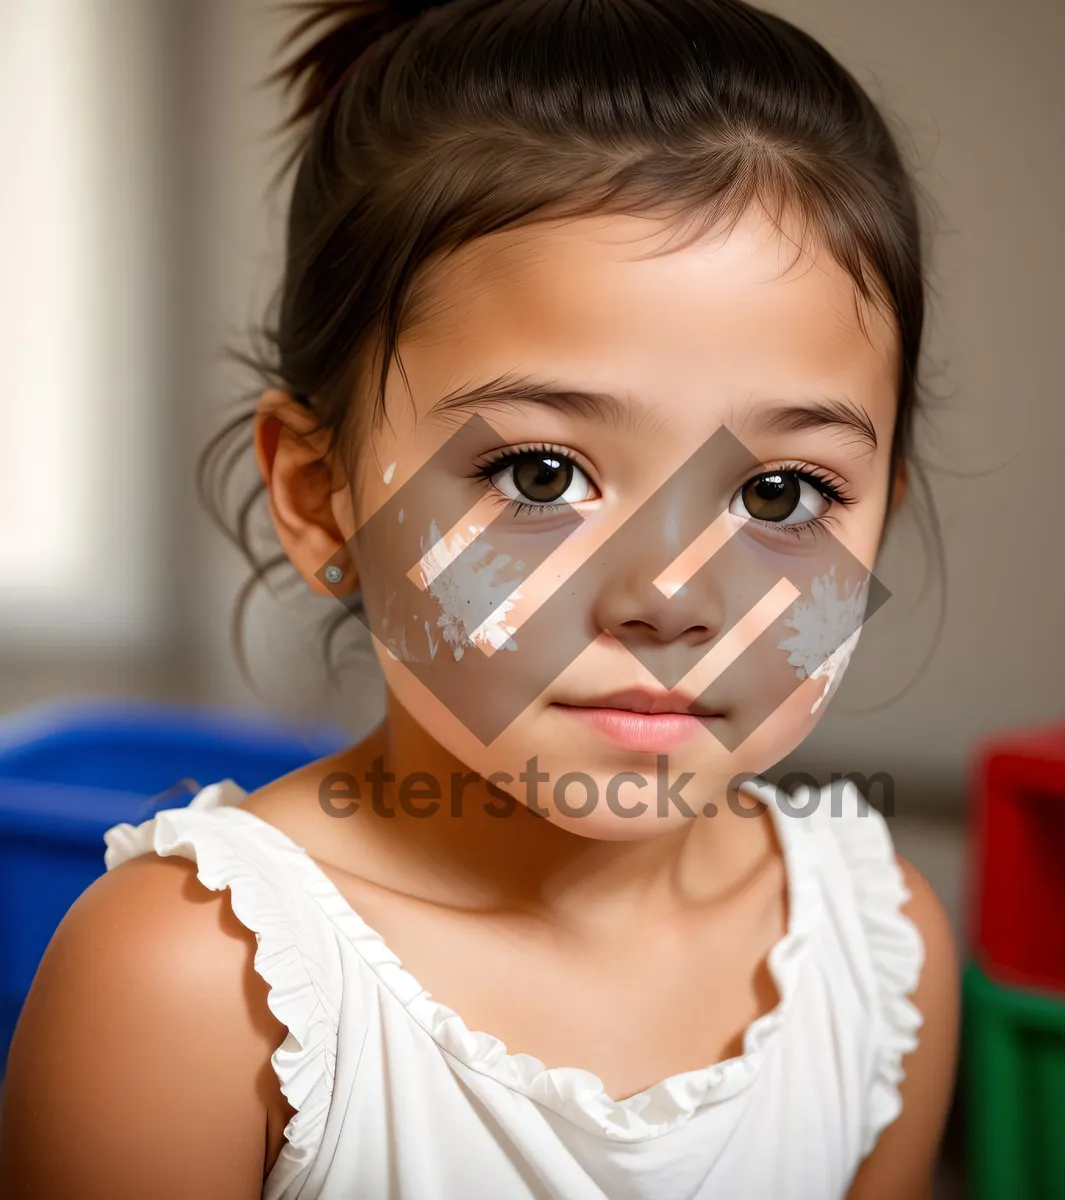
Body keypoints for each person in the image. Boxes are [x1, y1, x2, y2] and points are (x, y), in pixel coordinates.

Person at [0, 1, 959, 1196]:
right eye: (540, 474)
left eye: (778, 494)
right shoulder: (198, 983)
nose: (670, 599)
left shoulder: (883, 956)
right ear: (321, 495)